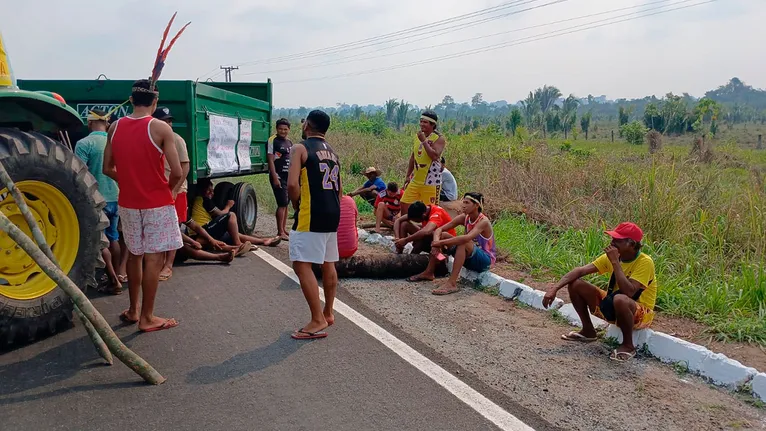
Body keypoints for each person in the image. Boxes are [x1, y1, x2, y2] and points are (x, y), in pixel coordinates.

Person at [102, 79, 183, 333]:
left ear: (132, 99)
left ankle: (134, 309)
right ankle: (148, 316)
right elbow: (178, 171)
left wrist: (127, 181)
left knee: (135, 255)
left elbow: (108, 168)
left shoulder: (114, 127)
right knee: (154, 258)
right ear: (155, 101)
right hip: (156, 202)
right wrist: (167, 190)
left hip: (128, 201)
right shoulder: (160, 129)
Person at [542, 222, 658, 362]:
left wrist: (615, 263)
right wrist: (554, 288)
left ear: (632, 244)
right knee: (576, 284)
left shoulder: (645, 262)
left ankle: (628, 345)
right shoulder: (614, 257)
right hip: (614, 304)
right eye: (612, 239)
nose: (612, 243)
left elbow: (629, 292)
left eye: (617, 240)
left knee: (621, 299)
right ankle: (588, 331)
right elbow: (580, 271)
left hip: (639, 313)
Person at [287, 109, 341, 340]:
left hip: (312, 212)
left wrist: (298, 204)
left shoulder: (300, 148)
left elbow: (291, 185)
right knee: (328, 262)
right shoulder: (332, 152)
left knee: (301, 265)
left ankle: (317, 319)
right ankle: (328, 312)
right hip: (333, 211)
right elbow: (339, 187)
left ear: (307, 124)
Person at [409, 193, 496, 295]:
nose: (463, 205)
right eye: (463, 202)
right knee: (444, 234)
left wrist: (440, 242)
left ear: (476, 205)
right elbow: (439, 229)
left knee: (462, 241)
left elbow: (467, 238)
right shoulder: (465, 217)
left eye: (467, 203)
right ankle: (430, 271)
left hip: (484, 261)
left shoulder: (483, 221)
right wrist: (436, 243)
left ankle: (452, 283)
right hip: (469, 256)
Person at [74, 109, 122, 294]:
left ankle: (112, 279)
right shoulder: (116, 142)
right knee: (114, 238)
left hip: (96, 199)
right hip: (116, 196)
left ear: (90, 123)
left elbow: (80, 173)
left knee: (100, 242)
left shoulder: (84, 143)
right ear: (107, 122)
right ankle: (117, 275)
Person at [152, 106, 191, 282]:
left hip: (176, 190)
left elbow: (185, 167)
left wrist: (174, 190)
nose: (168, 123)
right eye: (164, 121)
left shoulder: (176, 140)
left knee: (174, 228)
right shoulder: (153, 140)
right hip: (158, 190)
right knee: (159, 228)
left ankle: (168, 265)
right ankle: (159, 262)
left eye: (169, 121)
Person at [189, 179, 280, 248]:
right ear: (204, 191)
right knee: (231, 215)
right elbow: (221, 214)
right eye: (210, 191)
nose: (212, 193)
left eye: (213, 191)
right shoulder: (205, 200)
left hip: (205, 229)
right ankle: (238, 244)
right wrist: (228, 206)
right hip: (203, 230)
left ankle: (264, 241)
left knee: (234, 233)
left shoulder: (198, 200)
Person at [400, 110, 447, 216]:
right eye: (421, 121)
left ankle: (427, 230)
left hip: (431, 181)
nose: (421, 124)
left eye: (425, 122)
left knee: (429, 210)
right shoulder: (418, 136)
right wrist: (408, 175)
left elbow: (434, 156)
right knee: (404, 203)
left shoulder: (439, 138)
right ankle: (406, 227)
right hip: (416, 179)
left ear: (432, 124)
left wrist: (424, 141)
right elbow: (413, 157)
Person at [267, 118, 293, 241]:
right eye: (280, 129)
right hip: (278, 176)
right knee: (282, 203)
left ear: (289, 130)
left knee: (286, 203)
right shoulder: (273, 141)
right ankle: (280, 231)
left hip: (288, 176)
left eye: (285, 129)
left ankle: (284, 229)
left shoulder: (289, 142)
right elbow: (271, 160)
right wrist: (274, 176)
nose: (283, 131)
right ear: (276, 129)